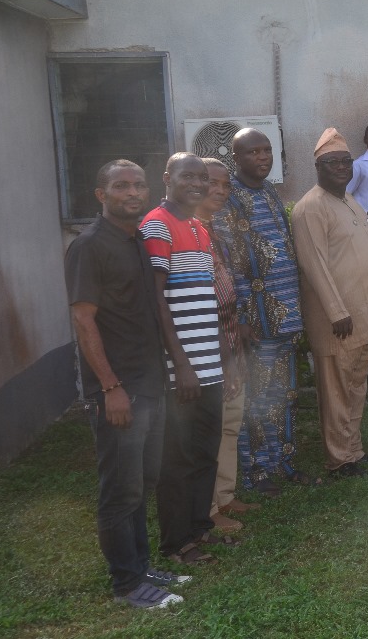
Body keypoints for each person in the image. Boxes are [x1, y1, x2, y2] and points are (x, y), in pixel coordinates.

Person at [64, 159, 186, 608]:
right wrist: (110, 387)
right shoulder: (89, 246)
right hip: (119, 390)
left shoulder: (136, 240)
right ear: (101, 195)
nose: (132, 193)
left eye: (138, 185)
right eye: (121, 186)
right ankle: (128, 585)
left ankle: (141, 563)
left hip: (149, 383)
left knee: (142, 481)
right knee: (120, 488)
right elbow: (83, 319)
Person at [141, 153, 230, 566]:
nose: (198, 184)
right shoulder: (157, 224)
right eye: (187, 177)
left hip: (208, 364)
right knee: (177, 459)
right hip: (184, 369)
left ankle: (199, 529)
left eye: (202, 177)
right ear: (167, 178)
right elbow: (156, 300)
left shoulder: (198, 227)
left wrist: (219, 356)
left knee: (204, 451)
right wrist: (181, 365)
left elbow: (206, 298)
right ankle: (176, 544)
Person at [213, 128, 310, 497]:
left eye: (267, 150)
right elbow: (228, 263)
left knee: (283, 395)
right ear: (236, 158)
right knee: (255, 397)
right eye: (253, 152)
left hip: (286, 318)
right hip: (258, 321)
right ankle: (255, 472)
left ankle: (281, 461)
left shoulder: (270, 192)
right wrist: (239, 319)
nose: (263, 157)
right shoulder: (227, 199)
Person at [292, 128, 368, 477]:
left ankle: (354, 451)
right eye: (332, 162)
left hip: (362, 317)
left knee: (355, 386)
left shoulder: (348, 199)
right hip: (338, 320)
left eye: (345, 162)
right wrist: (337, 312)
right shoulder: (310, 207)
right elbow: (314, 265)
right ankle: (339, 459)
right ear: (318, 166)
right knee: (336, 390)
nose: (340, 168)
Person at [197, 159, 257, 532]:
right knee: (207, 429)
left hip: (230, 339)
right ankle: (207, 510)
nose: (220, 191)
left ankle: (226, 494)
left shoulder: (213, 229)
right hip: (207, 348)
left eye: (225, 186)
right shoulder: (180, 231)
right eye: (212, 184)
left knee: (230, 423)